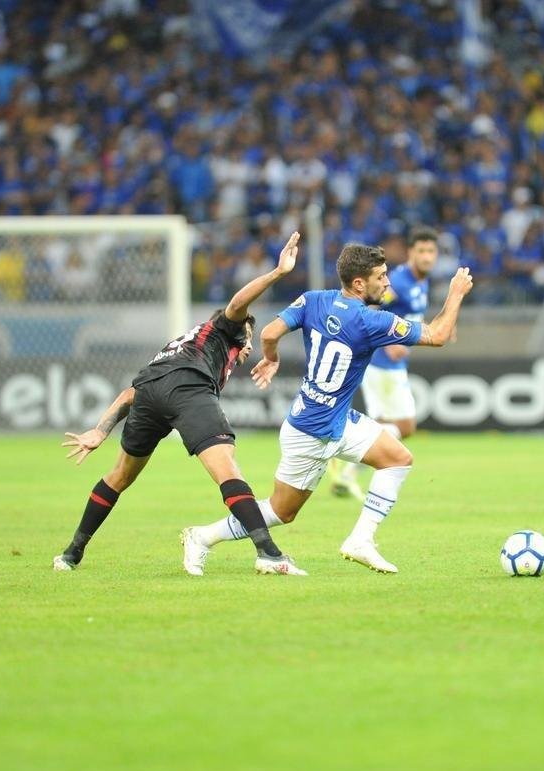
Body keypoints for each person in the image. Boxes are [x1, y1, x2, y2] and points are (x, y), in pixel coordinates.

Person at [181, 243, 474, 576]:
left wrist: (271, 359)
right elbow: (438, 336)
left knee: (398, 459)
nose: (388, 283)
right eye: (381, 276)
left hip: (331, 420)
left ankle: (361, 540)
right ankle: (202, 536)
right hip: (313, 434)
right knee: (281, 512)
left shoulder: (313, 299)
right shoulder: (370, 320)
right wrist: (455, 293)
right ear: (360, 284)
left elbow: (269, 332)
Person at [53, 232, 306, 576]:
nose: (249, 348)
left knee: (120, 476)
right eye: (249, 339)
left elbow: (131, 393)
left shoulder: (183, 346)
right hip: (186, 388)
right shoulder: (224, 330)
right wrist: (277, 274)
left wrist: (100, 431)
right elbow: (236, 305)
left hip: (148, 390)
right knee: (227, 471)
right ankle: (269, 553)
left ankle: (71, 553)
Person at [328, 225, 437, 500]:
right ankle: (345, 463)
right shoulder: (398, 283)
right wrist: (389, 341)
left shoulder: (421, 281)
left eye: (431, 251)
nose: (427, 257)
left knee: (387, 424)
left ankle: (346, 468)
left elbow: (407, 315)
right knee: (406, 426)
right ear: (411, 252)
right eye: (421, 250)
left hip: (388, 365)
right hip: (382, 364)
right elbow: (369, 307)